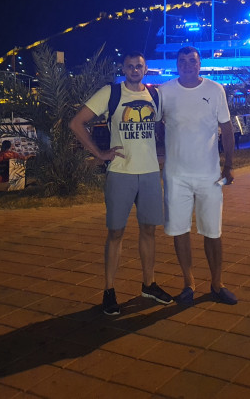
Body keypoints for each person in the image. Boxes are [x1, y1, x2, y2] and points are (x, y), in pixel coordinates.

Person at [69, 51, 172, 315]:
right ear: (123, 69)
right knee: (116, 233)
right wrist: (100, 153)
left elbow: (166, 124)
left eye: (139, 66)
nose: (135, 70)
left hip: (150, 172)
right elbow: (77, 123)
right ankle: (109, 290)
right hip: (120, 172)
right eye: (130, 66)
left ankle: (149, 284)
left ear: (145, 69)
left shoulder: (156, 96)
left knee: (149, 231)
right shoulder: (111, 93)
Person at [160, 46, 237, 306]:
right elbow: (154, 125)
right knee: (180, 230)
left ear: (200, 63)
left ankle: (217, 283)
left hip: (209, 175)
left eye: (192, 60)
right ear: (176, 65)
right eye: (182, 61)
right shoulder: (165, 91)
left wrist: (229, 165)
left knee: (213, 232)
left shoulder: (215, 90)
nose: (187, 65)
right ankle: (188, 283)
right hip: (176, 176)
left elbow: (227, 129)